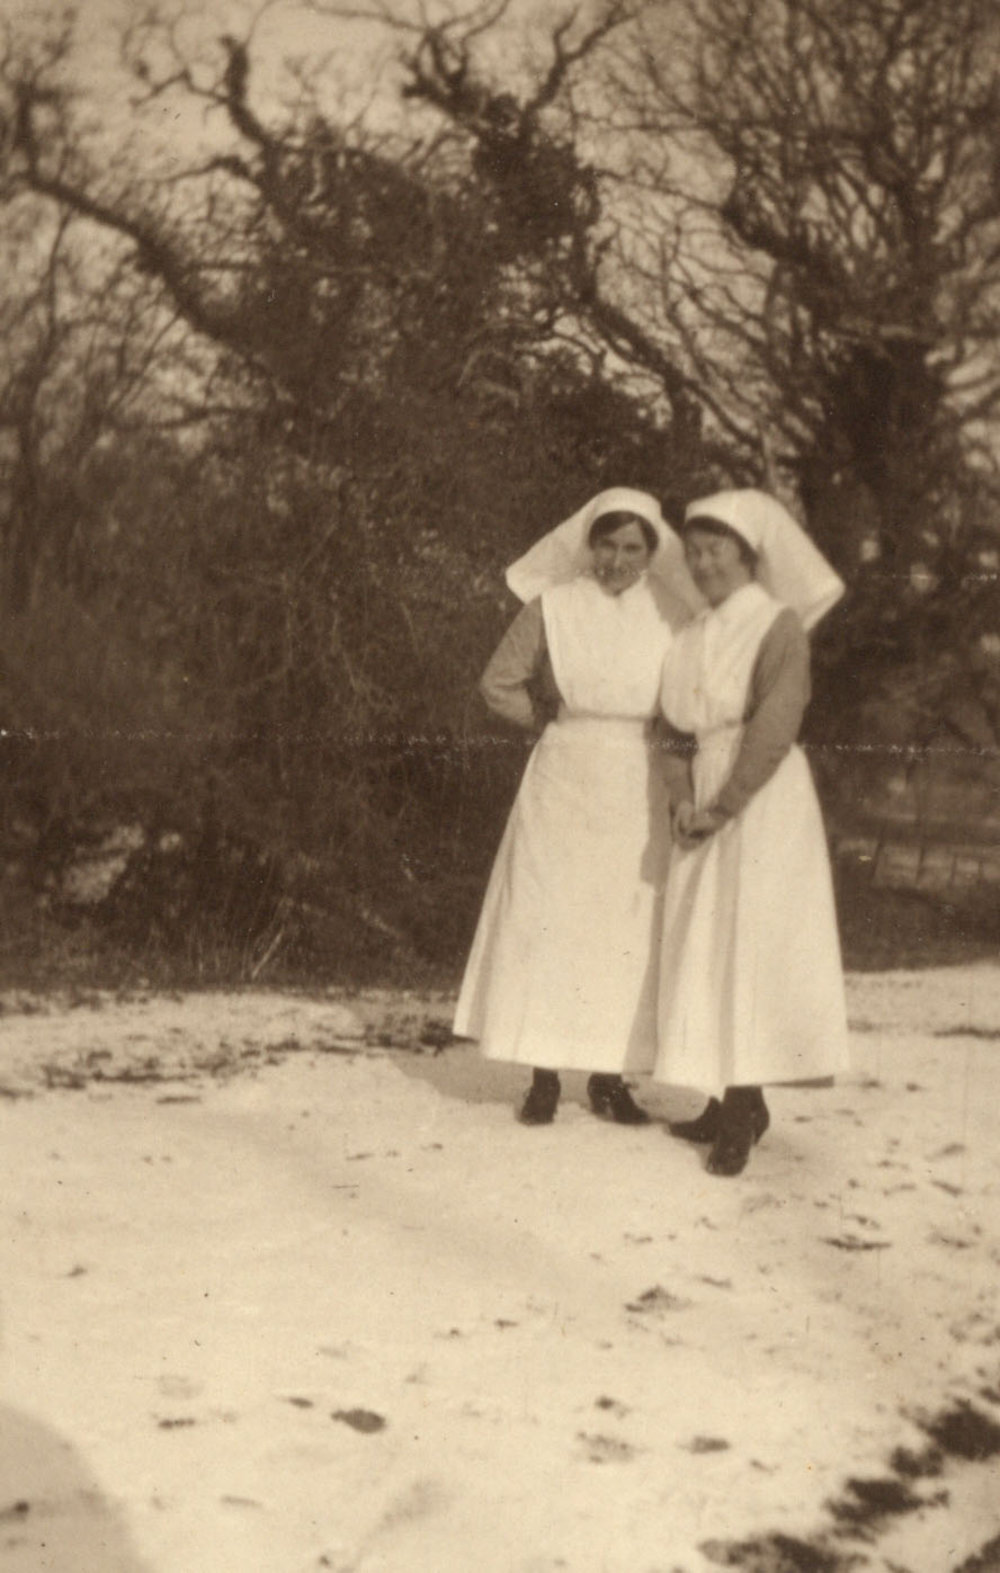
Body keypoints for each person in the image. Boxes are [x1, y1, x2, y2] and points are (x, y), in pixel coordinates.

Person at [454, 488, 698, 1125]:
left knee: (621, 929)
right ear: (589, 545)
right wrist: (544, 718)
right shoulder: (554, 605)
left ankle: (609, 1079)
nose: (618, 559)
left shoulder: (674, 613)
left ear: (653, 551)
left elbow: (689, 701)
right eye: (608, 545)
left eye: (632, 548)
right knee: (550, 917)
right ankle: (541, 1076)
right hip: (564, 774)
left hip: (639, 781)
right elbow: (496, 683)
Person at [652, 488, 850, 1175]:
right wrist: (681, 798)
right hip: (702, 793)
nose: (703, 563)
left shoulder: (776, 625)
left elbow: (776, 722)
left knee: (751, 944)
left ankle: (744, 1107)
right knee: (704, 943)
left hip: (759, 799)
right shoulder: (689, 634)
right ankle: (723, 1095)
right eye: (695, 551)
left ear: (748, 556)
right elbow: (671, 730)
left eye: (717, 551)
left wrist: (724, 802)